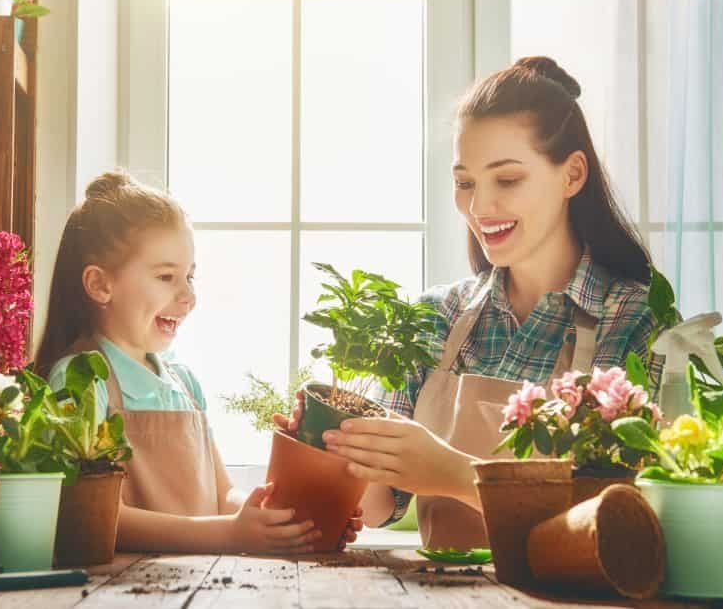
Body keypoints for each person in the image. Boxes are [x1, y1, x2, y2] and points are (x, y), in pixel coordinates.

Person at [277, 57, 663, 550]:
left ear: (572, 175)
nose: (480, 208)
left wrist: (454, 474)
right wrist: (332, 445)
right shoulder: (438, 316)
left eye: (507, 180)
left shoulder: (634, 319)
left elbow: (623, 520)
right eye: (465, 183)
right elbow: (376, 506)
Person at [35, 171, 361, 554]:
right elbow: (92, 517)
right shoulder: (80, 380)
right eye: (166, 276)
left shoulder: (183, 383)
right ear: (100, 285)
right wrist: (229, 534)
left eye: (190, 276)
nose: (188, 295)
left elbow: (225, 496)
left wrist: (285, 520)